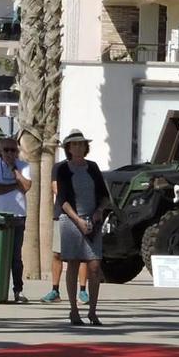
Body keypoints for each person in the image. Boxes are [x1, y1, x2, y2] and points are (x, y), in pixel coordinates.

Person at [54, 129, 109, 327]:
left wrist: (99, 211)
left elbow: (104, 195)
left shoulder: (92, 167)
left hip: (92, 219)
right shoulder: (63, 169)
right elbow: (63, 200)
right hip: (71, 220)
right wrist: (77, 220)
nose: (78, 147)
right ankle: (74, 310)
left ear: (86, 147)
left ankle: (92, 311)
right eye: (74, 144)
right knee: (74, 263)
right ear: (68, 148)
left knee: (94, 265)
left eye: (81, 144)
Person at [0, 137, 31, 301]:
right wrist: (14, 186)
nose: (10, 153)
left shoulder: (24, 166)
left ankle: (18, 290)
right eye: (6, 150)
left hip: (18, 216)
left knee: (15, 257)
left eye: (13, 150)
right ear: (0, 151)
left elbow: (26, 187)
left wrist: (15, 172)